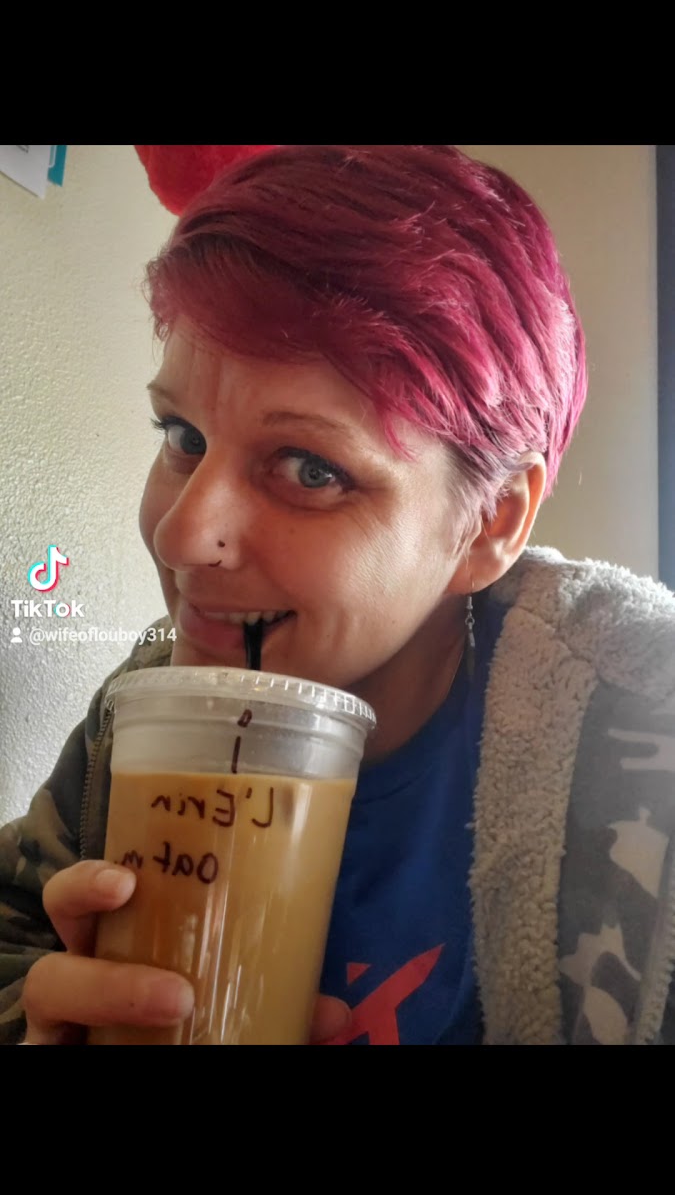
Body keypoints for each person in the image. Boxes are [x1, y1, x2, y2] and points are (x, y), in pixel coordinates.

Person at [2, 144, 674, 1046]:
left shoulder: (641, 759)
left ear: (489, 522)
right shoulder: (148, 708)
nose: (181, 536)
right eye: (183, 436)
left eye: (310, 469)